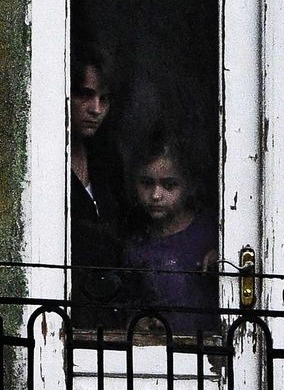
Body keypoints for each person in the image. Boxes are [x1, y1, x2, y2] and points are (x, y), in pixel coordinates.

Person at [123, 138, 218, 335]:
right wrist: (137, 322)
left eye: (169, 185)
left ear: (189, 186)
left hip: (207, 353)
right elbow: (127, 302)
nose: (156, 195)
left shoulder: (213, 230)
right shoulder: (134, 242)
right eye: (147, 183)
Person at [70, 54, 123, 326]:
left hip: (109, 315)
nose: (96, 109)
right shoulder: (50, 166)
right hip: (67, 316)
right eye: (86, 95)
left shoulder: (106, 161)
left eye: (104, 99)